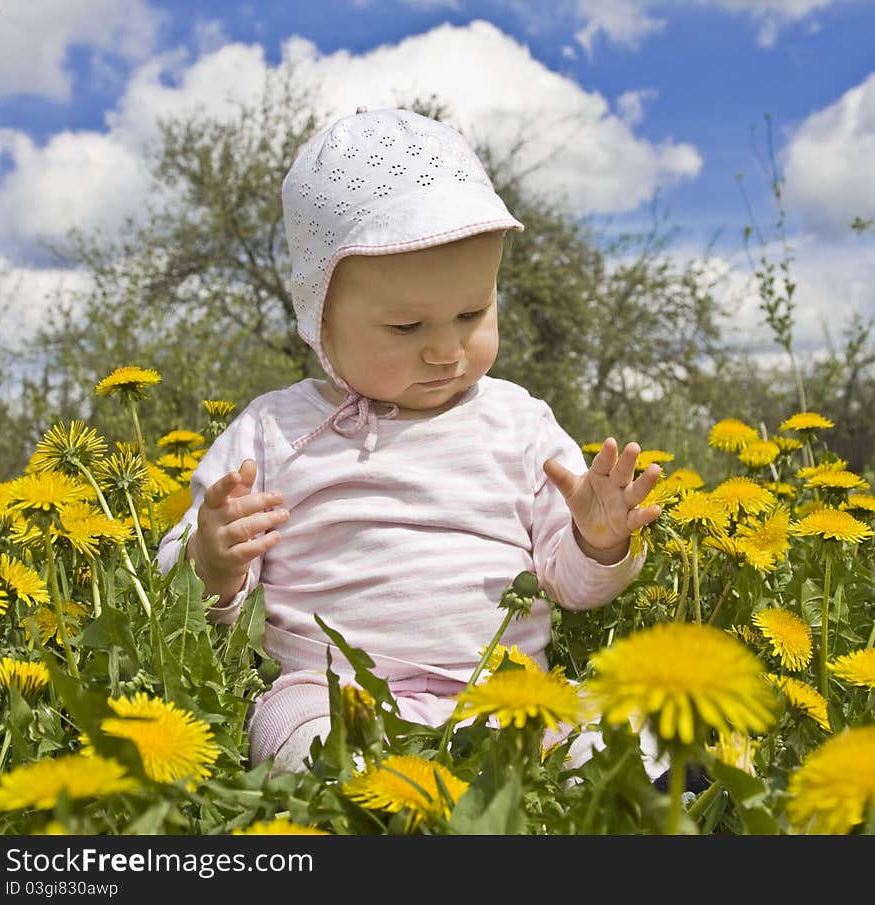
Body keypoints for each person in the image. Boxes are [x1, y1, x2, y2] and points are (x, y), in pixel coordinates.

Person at [156, 106, 664, 774]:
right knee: (305, 745)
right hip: (334, 695)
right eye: (405, 327)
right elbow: (186, 598)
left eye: (471, 313)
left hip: (508, 694)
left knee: (631, 728)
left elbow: (567, 584)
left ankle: (662, 797)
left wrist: (598, 542)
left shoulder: (519, 423)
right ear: (321, 320)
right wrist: (213, 561)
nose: (447, 350)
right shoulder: (274, 432)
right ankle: (365, 801)